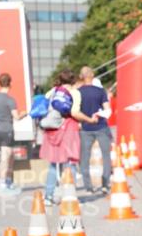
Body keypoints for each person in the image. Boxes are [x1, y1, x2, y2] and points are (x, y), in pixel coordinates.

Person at [41, 69, 82, 205]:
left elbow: (45, 104)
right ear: (72, 80)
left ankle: (48, 196)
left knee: (53, 164)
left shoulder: (52, 91)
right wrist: (88, 119)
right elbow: (75, 112)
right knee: (71, 162)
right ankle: (70, 196)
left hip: (52, 130)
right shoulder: (74, 92)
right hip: (67, 129)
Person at [75, 66, 113, 194]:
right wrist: (98, 115)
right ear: (92, 75)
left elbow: (76, 111)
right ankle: (105, 185)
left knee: (84, 158)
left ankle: (88, 187)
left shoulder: (77, 92)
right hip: (101, 126)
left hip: (85, 127)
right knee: (106, 156)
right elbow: (108, 110)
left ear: (81, 76)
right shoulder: (100, 91)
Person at [0, 72, 27, 195]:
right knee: (5, 155)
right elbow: (16, 117)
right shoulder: (10, 100)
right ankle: (3, 183)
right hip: (7, 130)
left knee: (10, 156)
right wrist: (25, 113)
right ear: (10, 83)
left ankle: (8, 181)